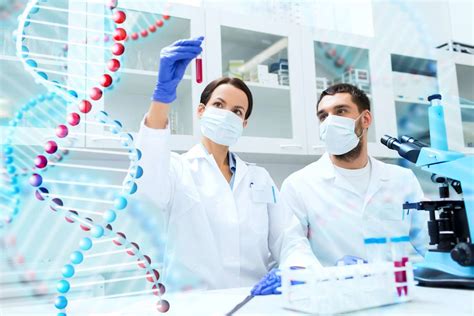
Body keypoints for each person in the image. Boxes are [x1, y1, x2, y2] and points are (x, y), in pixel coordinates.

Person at [135, 36, 321, 290]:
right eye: (219, 105)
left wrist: (297, 270)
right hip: (195, 306)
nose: (226, 114)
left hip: (254, 301)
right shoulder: (177, 168)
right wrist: (162, 97)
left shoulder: (259, 178)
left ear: (243, 124)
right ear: (201, 110)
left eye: (237, 111)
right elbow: (146, 183)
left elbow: (288, 238)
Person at [280, 83, 428, 267]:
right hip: (336, 290)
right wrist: (328, 274)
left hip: (399, 288)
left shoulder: (402, 179)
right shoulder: (299, 184)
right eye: (323, 116)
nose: (330, 122)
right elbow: (293, 247)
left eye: (340, 111)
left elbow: (425, 242)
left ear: (365, 119)